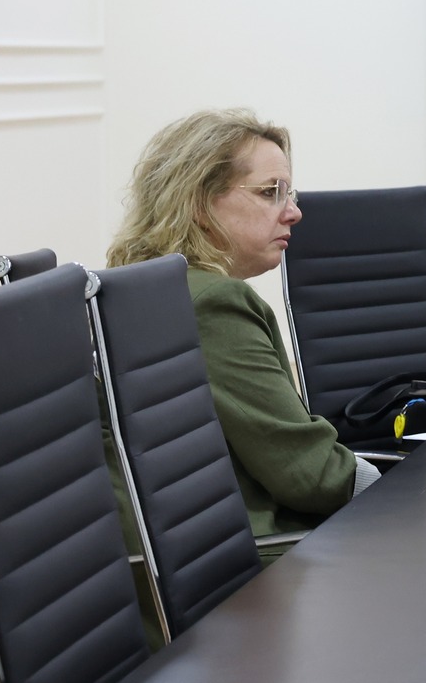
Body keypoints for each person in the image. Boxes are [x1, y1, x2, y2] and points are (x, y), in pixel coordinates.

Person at [107, 110, 377, 557]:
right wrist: (404, 491)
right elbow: (311, 477)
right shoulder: (212, 304)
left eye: (289, 193)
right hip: (249, 563)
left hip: (183, 557)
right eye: (271, 193)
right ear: (199, 204)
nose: (294, 212)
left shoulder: (146, 285)